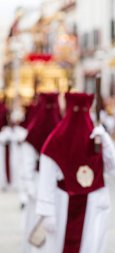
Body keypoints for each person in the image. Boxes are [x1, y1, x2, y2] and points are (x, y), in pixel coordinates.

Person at [35, 93, 115, 253]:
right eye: (76, 109)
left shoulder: (96, 137)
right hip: (62, 205)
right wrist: (47, 211)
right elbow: (46, 178)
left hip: (93, 206)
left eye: (83, 110)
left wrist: (106, 141)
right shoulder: (56, 140)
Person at [21, 93, 62, 253]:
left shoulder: (35, 132)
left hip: (51, 187)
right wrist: (31, 189)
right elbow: (27, 165)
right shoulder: (35, 134)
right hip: (40, 186)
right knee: (36, 227)